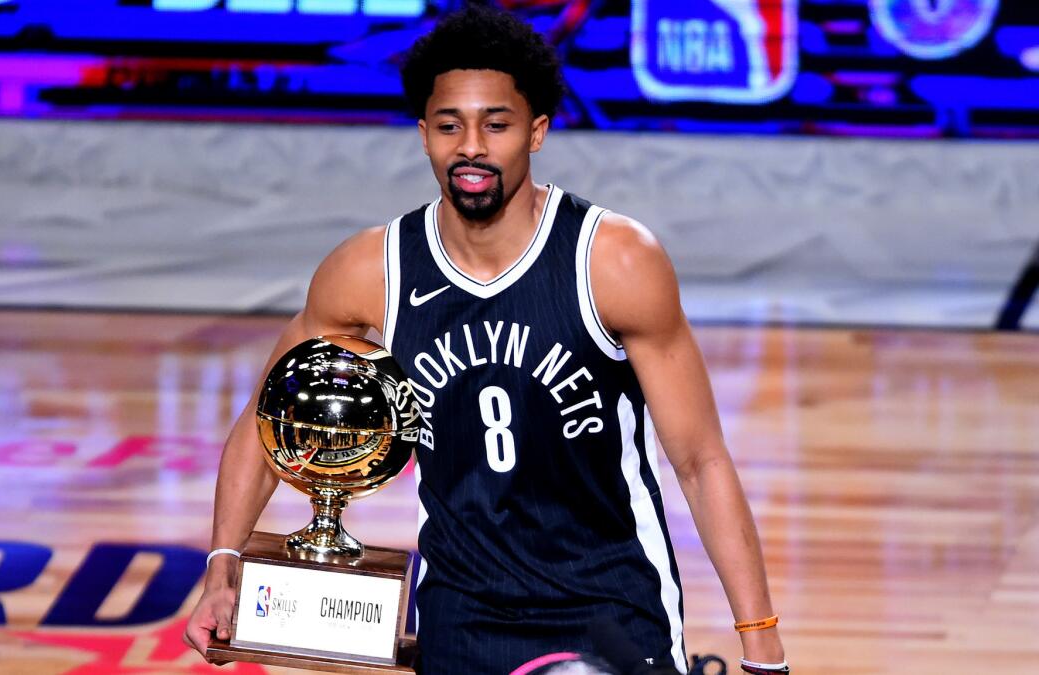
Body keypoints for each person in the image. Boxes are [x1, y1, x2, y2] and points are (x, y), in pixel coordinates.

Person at [183, 6, 787, 675]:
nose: (471, 145)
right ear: (423, 135)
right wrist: (223, 564)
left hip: (609, 604)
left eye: (495, 124)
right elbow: (267, 422)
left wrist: (760, 640)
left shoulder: (611, 261)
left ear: (536, 131)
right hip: (460, 610)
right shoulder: (371, 269)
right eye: (450, 125)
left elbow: (701, 461)